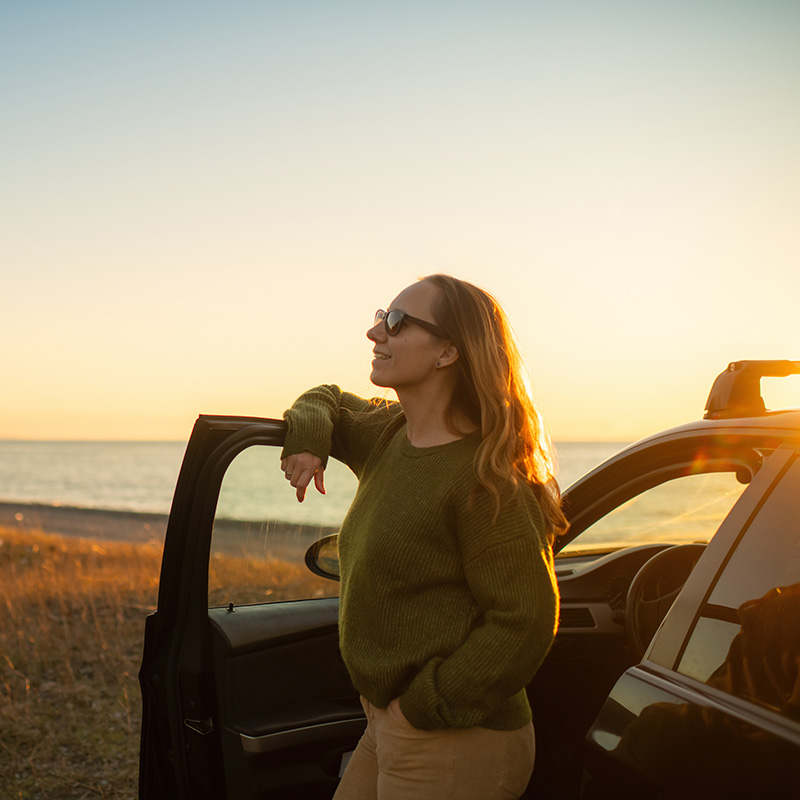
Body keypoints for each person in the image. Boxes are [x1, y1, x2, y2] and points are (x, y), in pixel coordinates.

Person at [280, 274, 566, 800]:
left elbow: (526, 618)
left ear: (448, 352)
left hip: (456, 739)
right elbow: (327, 398)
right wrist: (308, 439)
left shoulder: (487, 480)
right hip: (389, 725)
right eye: (380, 317)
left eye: (396, 322)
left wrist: (426, 703)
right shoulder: (389, 434)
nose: (375, 333)